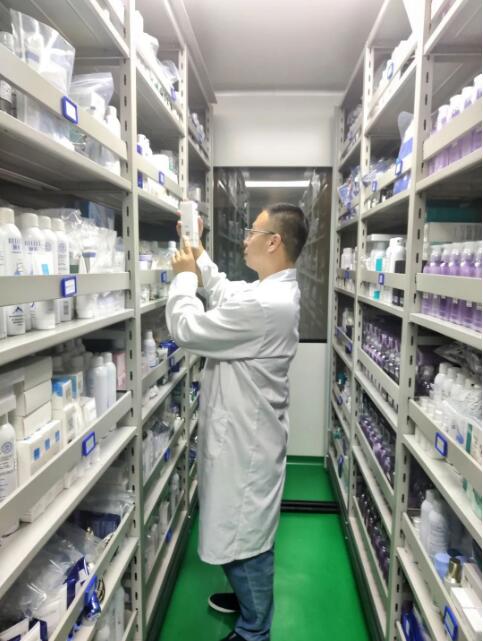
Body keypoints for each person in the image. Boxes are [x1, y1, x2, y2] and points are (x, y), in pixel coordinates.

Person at [165, 202, 308, 641]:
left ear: (274, 241)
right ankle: (249, 601)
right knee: (240, 528)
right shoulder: (268, 291)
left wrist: (184, 278)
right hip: (244, 435)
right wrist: (197, 249)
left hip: (246, 445)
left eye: (252, 232)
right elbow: (227, 292)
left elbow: (187, 330)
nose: (245, 239)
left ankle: (254, 629)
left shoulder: (267, 304)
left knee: (247, 539)